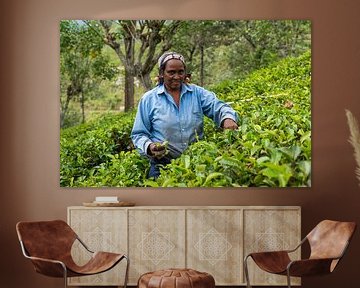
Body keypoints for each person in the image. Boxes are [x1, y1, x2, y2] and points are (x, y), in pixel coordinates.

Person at [131, 51, 239, 179]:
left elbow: (218, 106)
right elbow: (138, 134)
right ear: (161, 73)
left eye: (180, 72)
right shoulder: (149, 99)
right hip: (163, 165)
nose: (177, 77)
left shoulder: (197, 93)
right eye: (171, 72)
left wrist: (227, 118)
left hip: (196, 161)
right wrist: (150, 147)